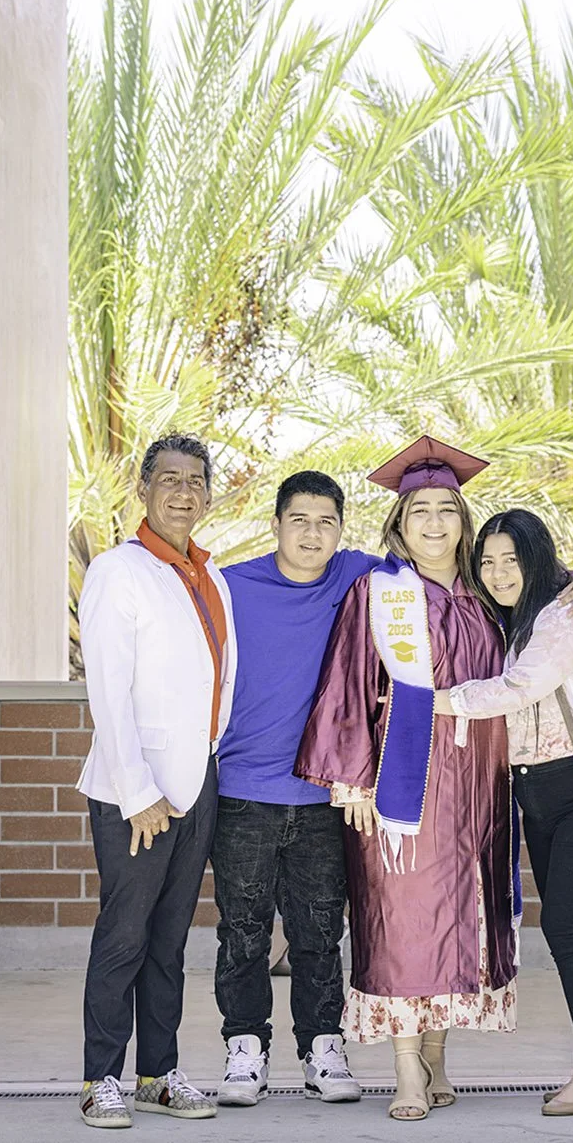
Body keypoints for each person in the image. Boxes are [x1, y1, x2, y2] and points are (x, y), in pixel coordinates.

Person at [295, 438, 573, 1122]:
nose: (433, 524)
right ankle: (407, 1071)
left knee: (461, 921)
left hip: (480, 788)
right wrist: (347, 780)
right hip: (400, 786)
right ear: (398, 523)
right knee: (402, 923)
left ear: (464, 522)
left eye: (447, 510)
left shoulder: (488, 596)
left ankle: (437, 1055)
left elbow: (548, 616)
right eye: (419, 512)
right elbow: (345, 687)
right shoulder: (377, 592)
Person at [434, 508, 573, 1119]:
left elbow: (520, 688)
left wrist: (433, 702)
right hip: (542, 790)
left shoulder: (564, 614)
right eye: (488, 560)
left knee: (567, 928)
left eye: (513, 559)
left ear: (538, 560)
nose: (499, 572)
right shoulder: (514, 619)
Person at [75, 433, 236, 1129]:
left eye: (195, 480)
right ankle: (99, 1077)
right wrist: (138, 794)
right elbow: (108, 693)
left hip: (198, 781)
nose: (183, 491)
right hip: (134, 793)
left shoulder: (210, 574)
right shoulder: (119, 570)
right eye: (168, 479)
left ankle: (157, 1074)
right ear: (143, 489)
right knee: (125, 935)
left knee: (169, 939)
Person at [212, 471, 376, 1107]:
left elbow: (445, 555)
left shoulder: (357, 576)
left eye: (326, 522)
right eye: (299, 520)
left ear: (341, 528)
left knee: (318, 931)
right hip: (243, 792)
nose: (313, 533)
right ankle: (245, 1048)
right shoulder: (230, 586)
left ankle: (321, 1048)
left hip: (323, 795)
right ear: (276, 524)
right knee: (244, 930)